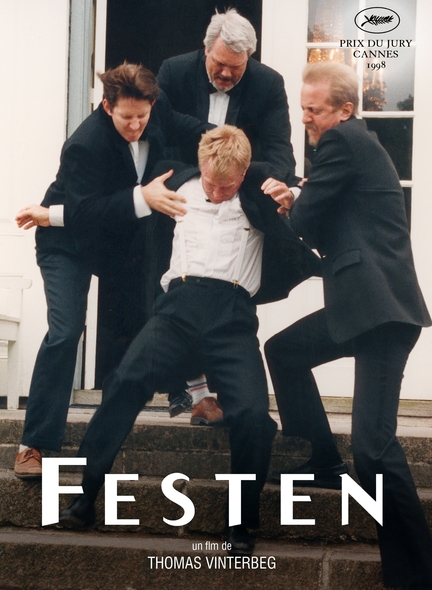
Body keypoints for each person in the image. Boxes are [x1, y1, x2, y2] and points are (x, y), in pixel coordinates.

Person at [58, 125, 320, 555]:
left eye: (227, 186)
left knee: (252, 416)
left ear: (243, 174)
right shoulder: (173, 183)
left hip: (232, 314)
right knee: (124, 382)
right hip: (176, 308)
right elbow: (115, 204)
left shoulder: (259, 193)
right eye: (211, 183)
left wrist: (292, 194)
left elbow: (299, 194)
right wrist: (142, 197)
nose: (216, 193)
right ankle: (84, 499)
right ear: (200, 167)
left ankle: (239, 525)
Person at [263, 62, 432, 589]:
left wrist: (292, 201)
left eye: (314, 110)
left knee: (374, 449)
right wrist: (302, 201)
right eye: (303, 108)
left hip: (378, 312)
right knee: (285, 351)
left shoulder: (341, 142)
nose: (306, 118)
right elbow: (329, 222)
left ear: (344, 110)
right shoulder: (357, 145)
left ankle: (417, 574)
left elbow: (307, 220)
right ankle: (320, 458)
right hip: (362, 309)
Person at [14, 62, 212, 480]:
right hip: (67, 242)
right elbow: (85, 212)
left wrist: (236, 147)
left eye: (143, 116)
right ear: (107, 107)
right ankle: (33, 444)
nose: (136, 125)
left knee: (161, 307)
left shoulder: (155, 110)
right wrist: (143, 197)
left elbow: (192, 129)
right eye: (127, 118)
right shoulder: (84, 143)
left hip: (116, 244)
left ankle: (194, 394)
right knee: (66, 331)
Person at [158, 7, 299, 421]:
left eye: (236, 67)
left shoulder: (268, 82)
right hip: (181, 195)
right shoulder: (174, 71)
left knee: (231, 302)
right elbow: (158, 133)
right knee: (176, 294)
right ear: (205, 50)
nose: (226, 74)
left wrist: (253, 180)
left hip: (237, 198)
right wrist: (205, 162)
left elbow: (281, 150)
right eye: (219, 64)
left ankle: (236, 398)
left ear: (249, 59)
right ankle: (195, 392)